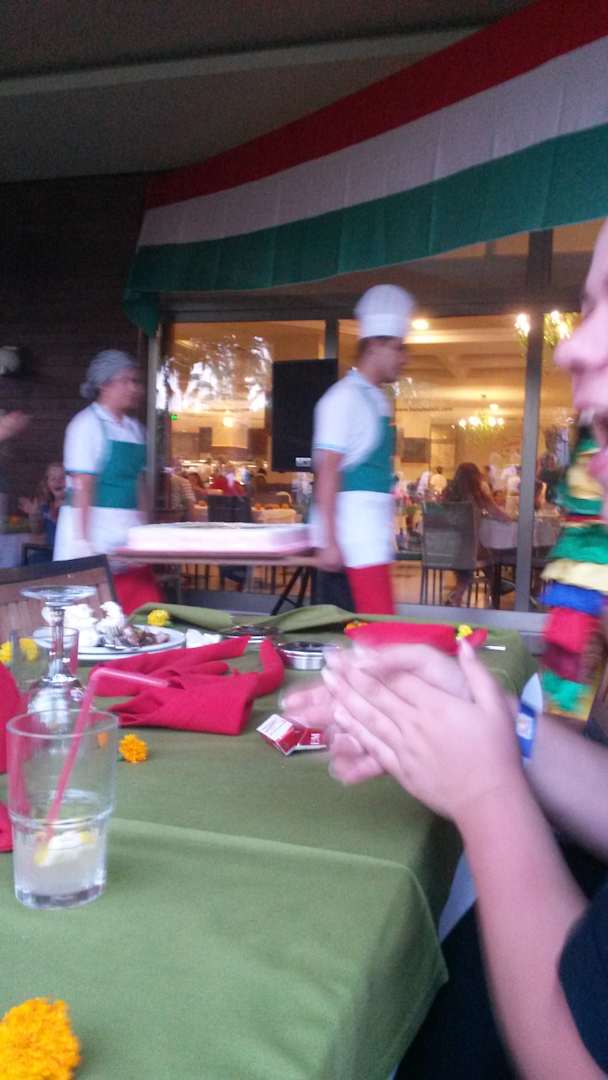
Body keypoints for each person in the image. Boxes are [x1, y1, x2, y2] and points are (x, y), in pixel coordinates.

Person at [285, 219, 608, 1078]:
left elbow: (578, 1054)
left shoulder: (370, 400)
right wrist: (505, 725)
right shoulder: (348, 401)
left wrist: (486, 786)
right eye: (588, 307)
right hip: (352, 545)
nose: (575, 346)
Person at [311, 284, 414, 615]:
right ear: (374, 346)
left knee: (376, 631)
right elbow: (327, 472)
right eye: (398, 348)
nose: (404, 358)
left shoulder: (377, 399)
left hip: (371, 542)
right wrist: (329, 542)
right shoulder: (343, 399)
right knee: (365, 634)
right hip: (352, 545)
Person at [54, 349, 163, 612]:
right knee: (91, 613)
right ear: (104, 384)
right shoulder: (86, 425)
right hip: (92, 534)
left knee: (142, 609)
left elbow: (139, 484)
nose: (134, 388)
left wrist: (144, 531)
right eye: (126, 380)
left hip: (125, 535)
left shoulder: (136, 430)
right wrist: (82, 542)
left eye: (135, 381)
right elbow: (83, 485)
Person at [444, 462, 511, 606]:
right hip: (467, 551)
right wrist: (515, 518)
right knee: (491, 557)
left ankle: (460, 593)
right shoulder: (478, 496)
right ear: (475, 477)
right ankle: (494, 587)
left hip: (445, 550)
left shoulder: (447, 494)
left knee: (482, 553)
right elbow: (499, 515)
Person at [18, 461, 65, 550]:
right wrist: (33, 514)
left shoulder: (72, 505)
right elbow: (37, 531)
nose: (57, 481)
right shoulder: (45, 506)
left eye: (62, 478)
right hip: (49, 551)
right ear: (47, 483)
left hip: (67, 552)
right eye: (53, 479)